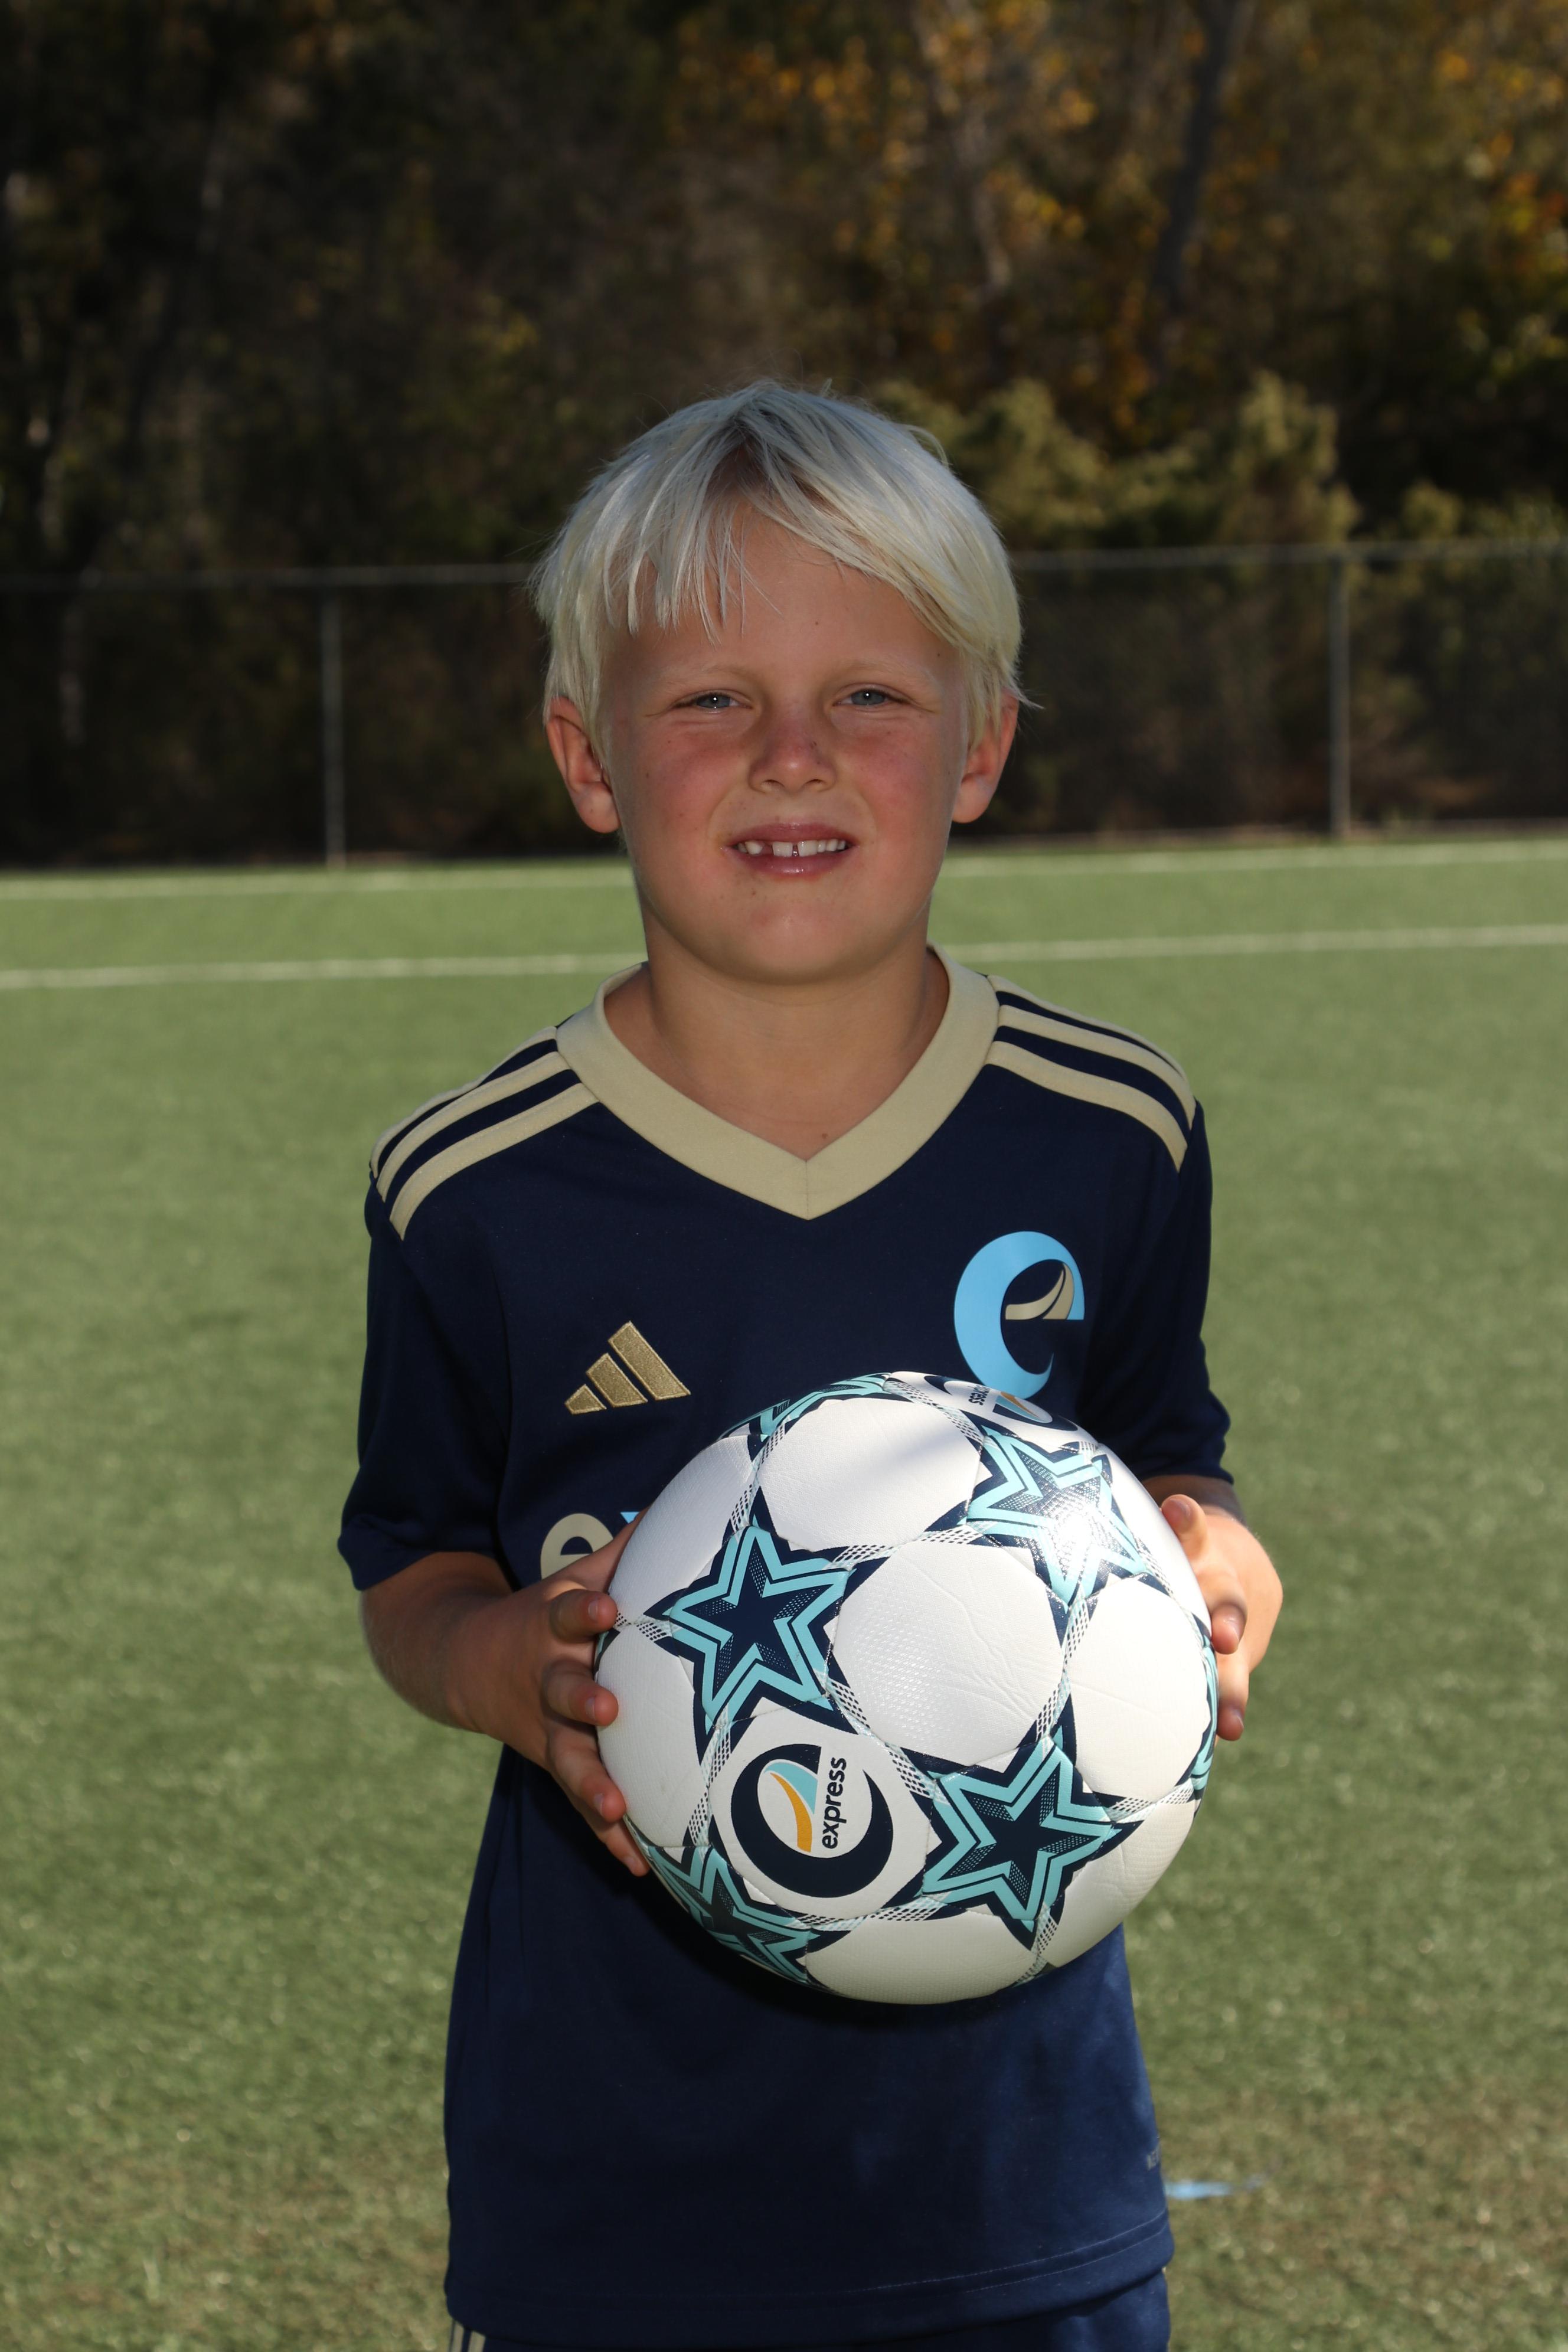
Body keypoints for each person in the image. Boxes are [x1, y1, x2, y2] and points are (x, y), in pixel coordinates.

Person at [340, 382, 1282, 2352]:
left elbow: (1168, 1463)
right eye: (712, 700)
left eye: (870, 695)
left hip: (1021, 2183)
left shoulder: (1109, 1132)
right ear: (589, 756)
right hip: (612, 2186)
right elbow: (414, 1568)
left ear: (981, 745)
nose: (794, 753)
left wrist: (1215, 1559)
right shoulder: (474, 1190)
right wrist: (505, 1664)